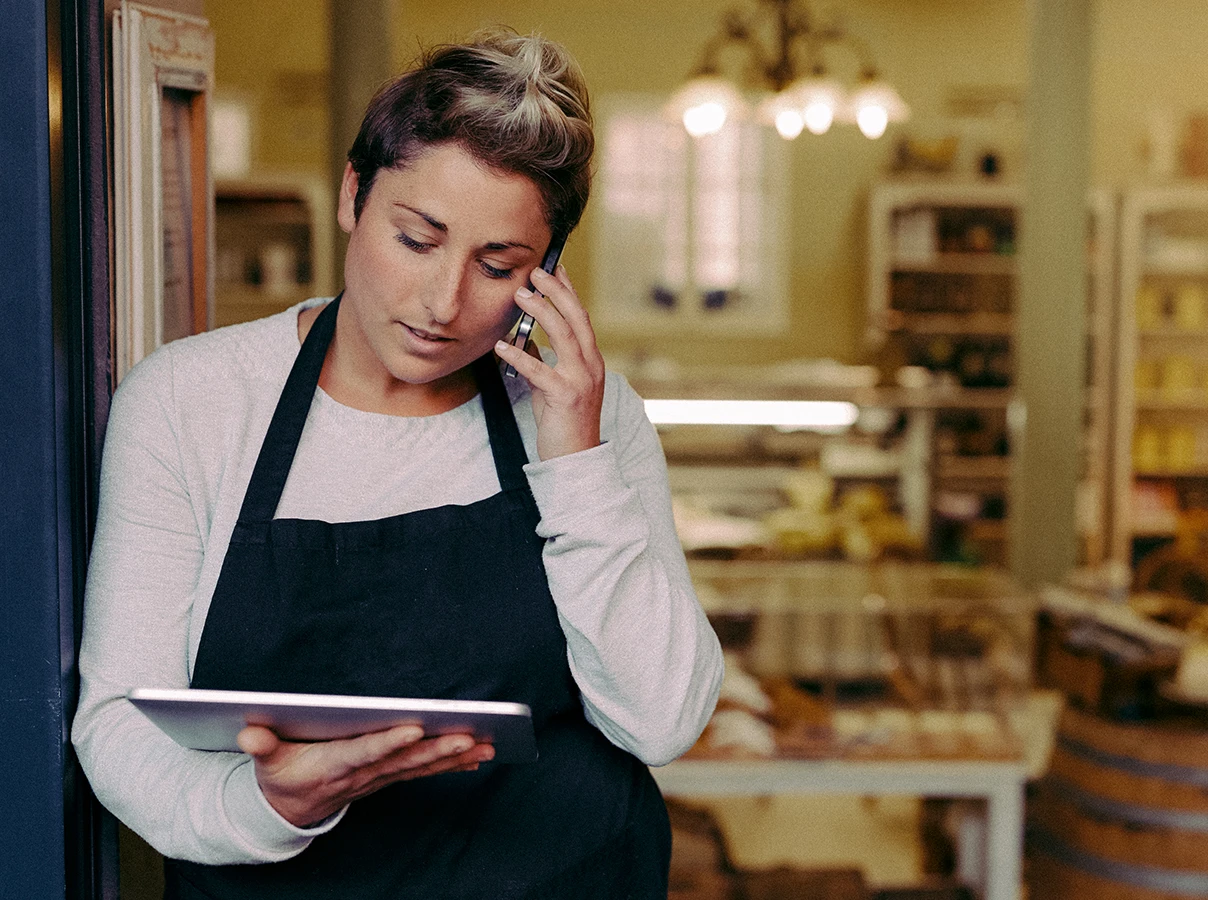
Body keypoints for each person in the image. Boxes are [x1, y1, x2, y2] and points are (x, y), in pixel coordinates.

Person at [73, 27, 723, 899]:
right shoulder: (191, 403)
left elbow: (662, 722)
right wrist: (267, 805)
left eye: (499, 265)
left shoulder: (585, 417)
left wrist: (577, 456)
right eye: (416, 239)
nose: (442, 303)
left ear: (549, 273)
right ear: (353, 194)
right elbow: (117, 723)